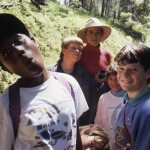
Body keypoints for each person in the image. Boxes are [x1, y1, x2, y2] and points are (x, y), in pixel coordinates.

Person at [0, 13, 88, 150]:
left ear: (34, 42)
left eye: (18, 41)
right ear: (6, 68)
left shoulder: (69, 83)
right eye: (6, 52)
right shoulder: (7, 104)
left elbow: (75, 133)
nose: (18, 50)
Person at [48, 36, 100, 126]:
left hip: (75, 122)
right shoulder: (49, 72)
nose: (77, 51)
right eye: (73, 48)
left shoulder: (84, 76)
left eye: (80, 49)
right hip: (51, 119)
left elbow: (92, 98)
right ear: (63, 50)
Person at [113, 44, 150, 150]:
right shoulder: (129, 102)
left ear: (148, 73)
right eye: (121, 68)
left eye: (133, 69)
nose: (125, 74)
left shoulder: (146, 111)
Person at [94, 62, 125, 149]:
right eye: (110, 79)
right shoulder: (103, 98)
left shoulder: (129, 98)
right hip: (108, 143)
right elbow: (98, 122)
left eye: (117, 79)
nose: (113, 82)